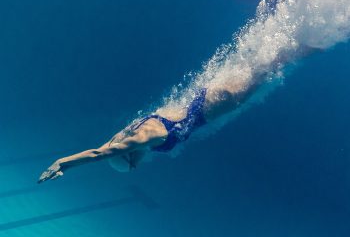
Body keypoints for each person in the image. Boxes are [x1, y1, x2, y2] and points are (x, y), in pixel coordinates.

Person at [38, 73, 257, 183]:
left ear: (129, 155)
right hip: (206, 104)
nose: (137, 167)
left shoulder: (144, 138)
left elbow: (99, 154)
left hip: (210, 106)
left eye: (133, 166)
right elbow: (102, 151)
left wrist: (63, 163)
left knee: (264, 75)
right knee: (259, 74)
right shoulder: (122, 138)